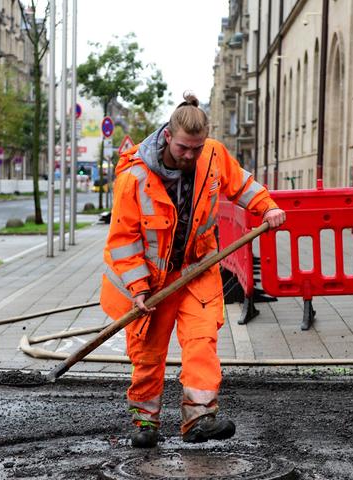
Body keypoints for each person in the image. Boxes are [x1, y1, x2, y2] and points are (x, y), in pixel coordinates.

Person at [100, 92, 286, 449]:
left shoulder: (212, 155)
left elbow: (242, 184)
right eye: (184, 148)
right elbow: (124, 240)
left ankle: (199, 419)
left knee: (202, 342)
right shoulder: (134, 177)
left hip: (198, 268)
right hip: (152, 281)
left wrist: (267, 208)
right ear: (167, 136)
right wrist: (138, 288)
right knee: (148, 352)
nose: (190, 156)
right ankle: (145, 421)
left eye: (196, 149)